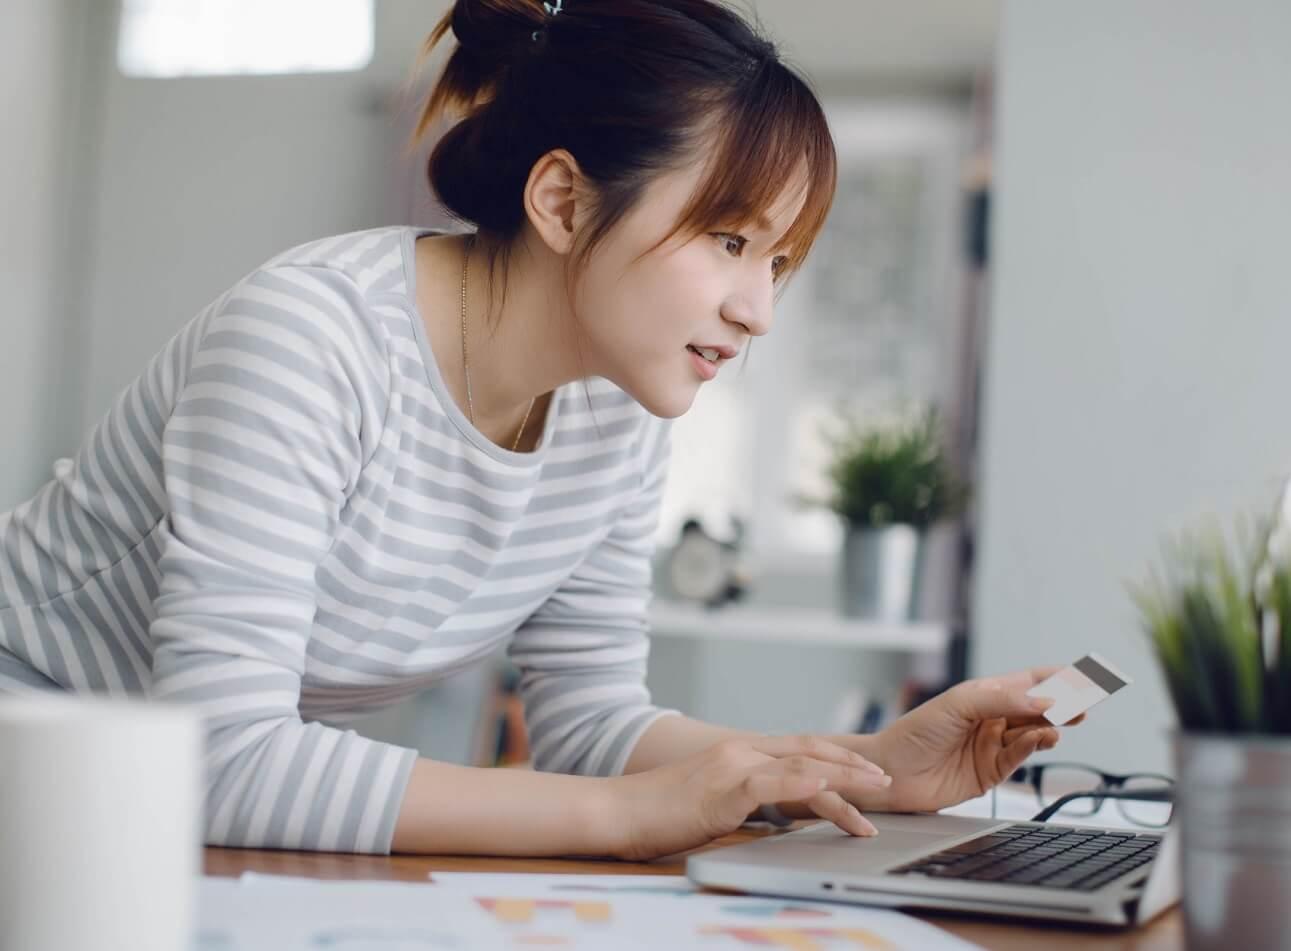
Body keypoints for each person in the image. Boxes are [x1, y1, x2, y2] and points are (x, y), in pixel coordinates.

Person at [0, 0, 1073, 860]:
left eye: (779, 260)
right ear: (562, 201)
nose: (759, 311)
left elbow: (594, 724)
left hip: (135, 816)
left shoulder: (617, 410)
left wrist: (869, 768)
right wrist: (626, 820)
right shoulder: (311, 341)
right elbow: (222, 758)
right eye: (728, 238)